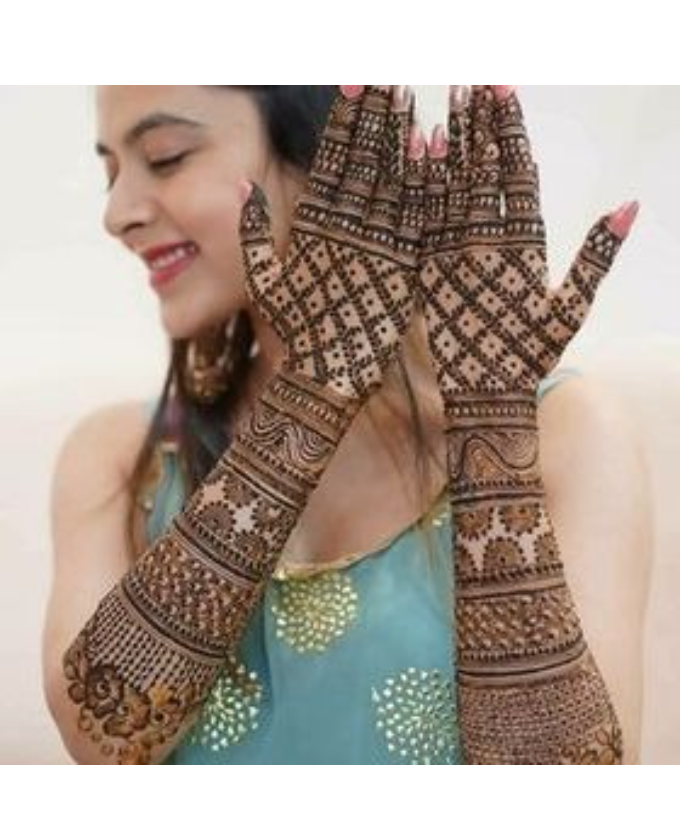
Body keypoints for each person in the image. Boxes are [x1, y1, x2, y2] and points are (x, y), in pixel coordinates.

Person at [43, 85, 651, 765]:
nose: (117, 214)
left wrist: (489, 420)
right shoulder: (121, 458)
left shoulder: (565, 430)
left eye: (166, 157)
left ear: (327, 149)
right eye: (110, 172)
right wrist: (312, 392)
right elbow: (107, 739)